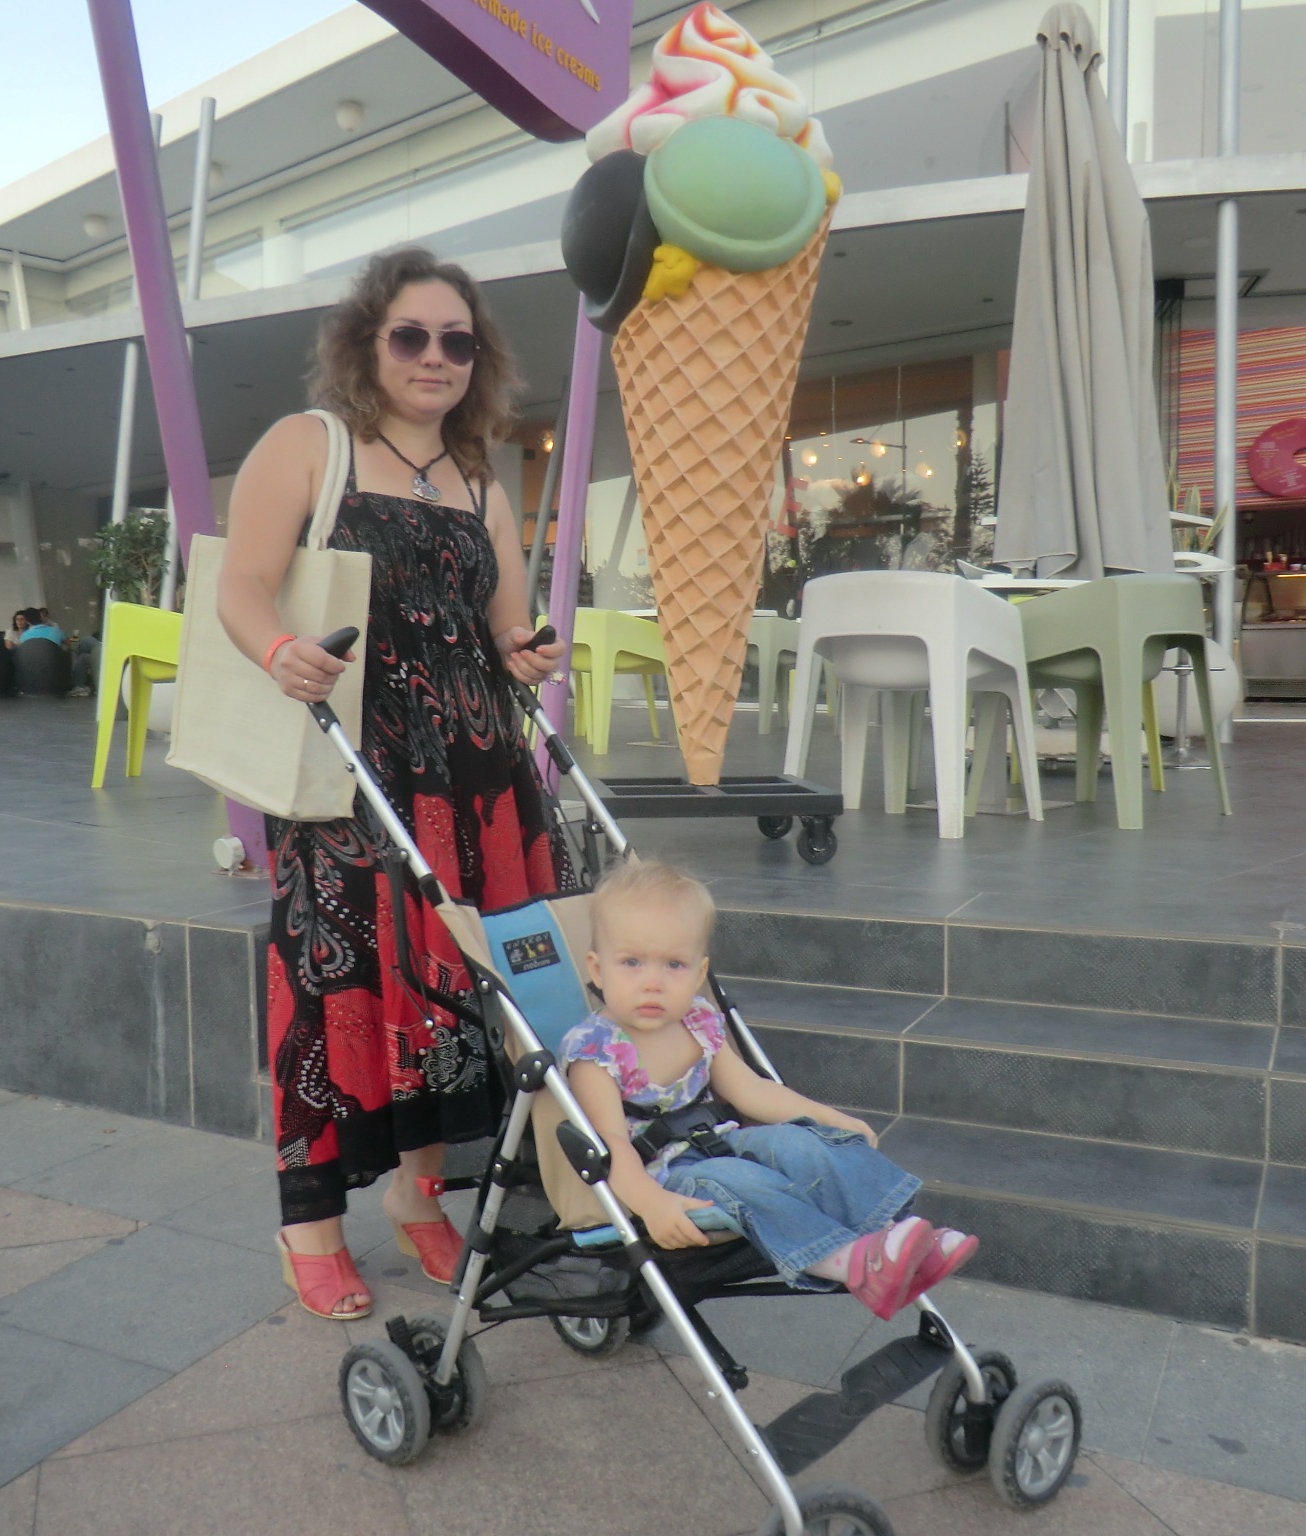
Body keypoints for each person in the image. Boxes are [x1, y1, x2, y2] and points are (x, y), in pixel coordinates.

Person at [219, 246, 573, 1321]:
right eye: (410, 335)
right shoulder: (309, 445)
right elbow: (240, 584)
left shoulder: (482, 477)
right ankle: (309, 1226)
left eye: (456, 340)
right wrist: (277, 647)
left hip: (475, 781)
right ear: (365, 343)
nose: (435, 356)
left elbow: (502, 624)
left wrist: (525, 652)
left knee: (453, 986)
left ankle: (420, 1196)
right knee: (335, 989)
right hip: (350, 772)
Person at [564, 861, 978, 1319]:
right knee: (747, 1181)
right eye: (631, 962)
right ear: (597, 970)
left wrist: (828, 1118)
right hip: (665, 1174)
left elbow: (751, 1091)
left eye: (674, 964)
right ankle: (849, 1262)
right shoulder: (596, 1052)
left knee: (800, 1144)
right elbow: (611, 1145)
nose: (652, 982)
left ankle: (899, 1236)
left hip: (719, 1139)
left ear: (699, 973)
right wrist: (651, 1204)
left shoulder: (697, 1022)